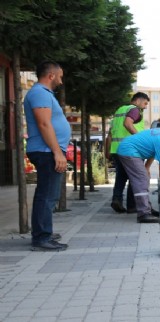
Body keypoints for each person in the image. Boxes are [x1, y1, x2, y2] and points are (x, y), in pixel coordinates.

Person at [24, 61, 70, 251]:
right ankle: (41, 238)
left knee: (48, 195)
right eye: (59, 76)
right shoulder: (39, 93)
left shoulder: (43, 94)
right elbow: (44, 124)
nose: (60, 81)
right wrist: (57, 152)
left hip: (48, 150)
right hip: (46, 151)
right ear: (50, 75)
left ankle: (44, 233)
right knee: (46, 196)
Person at [105, 92, 153, 214]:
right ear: (137, 101)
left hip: (116, 149)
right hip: (131, 151)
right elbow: (128, 124)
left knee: (120, 177)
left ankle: (117, 199)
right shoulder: (135, 110)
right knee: (135, 177)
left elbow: (110, 134)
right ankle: (133, 206)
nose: (146, 106)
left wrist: (107, 151)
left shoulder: (119, 111)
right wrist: (140, 140)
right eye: (145, 103)